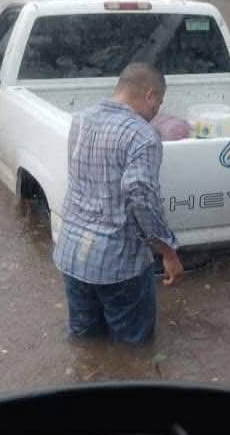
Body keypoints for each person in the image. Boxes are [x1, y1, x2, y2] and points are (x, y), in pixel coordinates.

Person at [53, 62, 184, 344]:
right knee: (134, 350)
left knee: (87, 344)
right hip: (118, 264)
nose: (157, 111)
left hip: (73, 256)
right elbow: (140, 196)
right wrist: (168, 251)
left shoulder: (81, 119)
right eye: (159, 103)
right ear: (149, 95)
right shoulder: (142, 135)